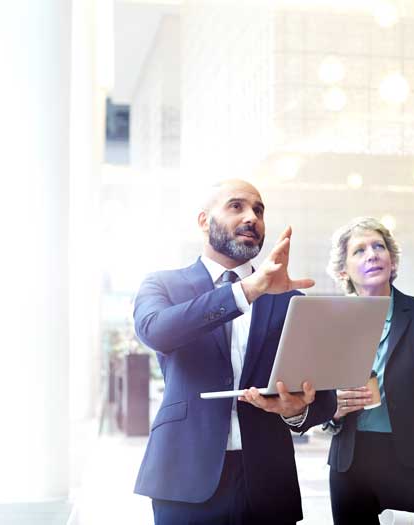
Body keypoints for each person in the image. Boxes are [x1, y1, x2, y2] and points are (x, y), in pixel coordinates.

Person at [133, 179, 337, 525]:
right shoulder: (163, 284)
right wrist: (247, 291)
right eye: (236, 206)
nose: (252, 217)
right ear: (203, 221)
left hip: (266, 482)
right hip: (184, 476)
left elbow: (324, 400)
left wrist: (295, 411)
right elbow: (156, 331)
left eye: (258, 210)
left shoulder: (290, 302)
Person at [323, 217, 414, 525]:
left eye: (379, 246)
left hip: (410, 464)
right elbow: (318, 400)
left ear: (391, 262)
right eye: (359, 250)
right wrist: (331, 409)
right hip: (349, 467)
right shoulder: (333, 322)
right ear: (343, 271)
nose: (372, 254)